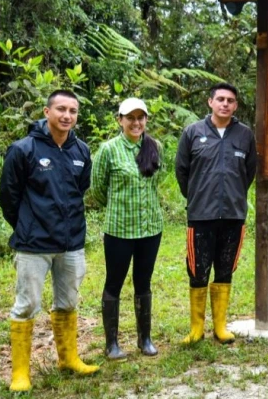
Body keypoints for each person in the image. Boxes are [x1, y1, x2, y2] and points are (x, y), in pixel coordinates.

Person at [0, 90, 98, 392]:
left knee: (68, 302)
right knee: (27, 305)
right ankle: (20, 374)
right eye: (61, 109)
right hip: (33, 245)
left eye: (73, 111)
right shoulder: (23, 149)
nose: (67, 116)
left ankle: (68, 359)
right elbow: (8, 197)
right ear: (46, 112)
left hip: (71, 243)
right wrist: (27, 226)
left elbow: (79, 191)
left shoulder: (81, 150)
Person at [175, 83, 256, 344]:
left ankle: (220, 327)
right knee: (198, 270)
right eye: (220, 99)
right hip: (201, 215)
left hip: (233, 215)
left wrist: (232, 195)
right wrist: (199, 196)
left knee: (224, 270)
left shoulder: (245, 135)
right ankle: (196, 329)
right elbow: (182, 171)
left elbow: (249, 172)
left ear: (235, 106)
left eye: (230, 100)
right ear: (210, 102)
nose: (225, 104)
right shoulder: (193, 133)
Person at [90, 98, 163, 359]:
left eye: (140, 117)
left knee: (143, 283)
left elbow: (157, 183)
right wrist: (119, 208)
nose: (136, 122)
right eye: (130, 117)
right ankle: (112, 344)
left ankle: (145, 339)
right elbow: (97, 189)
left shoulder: (156, 147)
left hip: (150, 229)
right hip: (119, 230)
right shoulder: (108, 150)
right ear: (119, 120)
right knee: (114, 283)